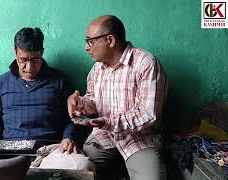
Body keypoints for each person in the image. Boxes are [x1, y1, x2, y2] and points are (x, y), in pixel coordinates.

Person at [0, 27, 94, 171]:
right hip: (8, 152)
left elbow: (73, 119)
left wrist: (69, 137)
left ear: (42, 52)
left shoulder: (59, 80)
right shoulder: (1, 83)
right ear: (15, 52)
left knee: (82, 166)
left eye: (35, 59)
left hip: (48, 152)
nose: (29, 67)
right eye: (23, 59)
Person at [67, 15, 168, 180]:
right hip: (104, 137)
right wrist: (80, 103)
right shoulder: (96, 69)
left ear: (110, 40)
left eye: (90, 41)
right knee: (76, 172)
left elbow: (148, 114)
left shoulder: (146, 63)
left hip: (139, 139)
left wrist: (108, 122)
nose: (86, 47)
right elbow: (94, 101)